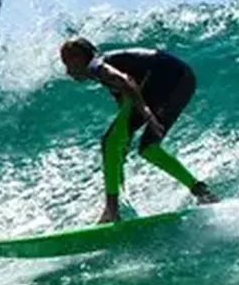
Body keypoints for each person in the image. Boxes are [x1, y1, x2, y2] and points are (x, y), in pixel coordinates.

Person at [59, 36, 220, 224]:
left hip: (168, 79)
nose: (67, 71)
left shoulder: (97, 66)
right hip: (182, 78)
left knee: (110, 143)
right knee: (146, 148)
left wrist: (145, 112)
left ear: (78, 58)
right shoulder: (106, 63)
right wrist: (123, 137)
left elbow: (125, 80)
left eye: (67, 63)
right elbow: (125, 95)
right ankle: (203, 193)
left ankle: (112, 211)